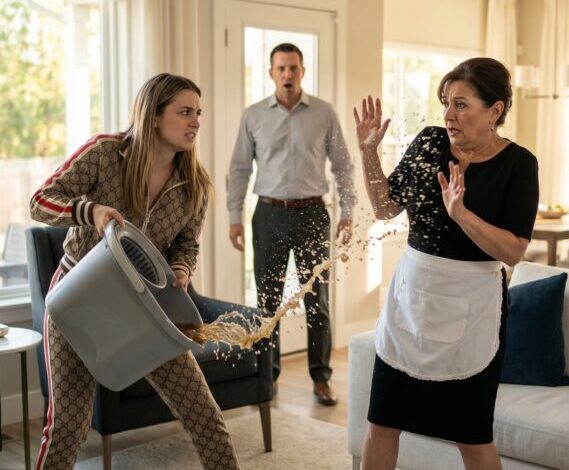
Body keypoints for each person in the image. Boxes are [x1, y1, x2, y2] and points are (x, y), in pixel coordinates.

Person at [30, 73, 240, 470]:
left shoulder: (195, 185)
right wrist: (90, 211)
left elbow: (187, 245)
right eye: (185, 112)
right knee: (68, 427)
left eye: (198, 113)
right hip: (78, 301)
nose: (196, 121)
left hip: (145, 311)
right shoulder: (105, 154)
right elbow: (40, 201)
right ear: (154, 116)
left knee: (203, 415)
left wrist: (181, 270)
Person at [353, 57, 539, 469]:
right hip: (411, 303)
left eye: (461, 104)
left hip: (472, 308)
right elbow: (385, 207)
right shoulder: (429, 143)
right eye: (446, 103)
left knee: (472, 436)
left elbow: (513, 250)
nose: (448, 115)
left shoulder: (519, 164)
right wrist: (368, 153)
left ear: (494, 111)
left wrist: (461, 215)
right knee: (382, 422)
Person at [227, 43, 356, 406]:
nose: (287, 74)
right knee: (267, 301)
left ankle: (321, 378)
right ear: (271, 73)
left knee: (318, 301)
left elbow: (343, 165)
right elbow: (239, 169)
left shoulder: (324, 113)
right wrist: (234, 218)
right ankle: (267, 377)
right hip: (268, 215)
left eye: (293, 68)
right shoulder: (253, 116)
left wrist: (348, 211)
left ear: (303, 71)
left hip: (313, 214)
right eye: (281, 68)